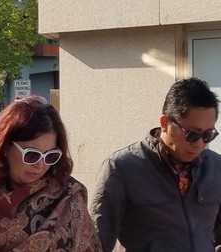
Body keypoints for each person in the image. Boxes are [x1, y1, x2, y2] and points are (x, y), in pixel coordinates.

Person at [0, 95, 102, 251]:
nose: (40, 164)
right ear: (5, 147)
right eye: (31, 154)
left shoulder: (66, 196)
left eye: (51, 156)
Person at [89, 77, 221, 252]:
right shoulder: (122, 168)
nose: (199, 143)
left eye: (208, 135)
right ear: (165, 123)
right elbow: (96, 242)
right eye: (192, 134)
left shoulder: (217, 168)